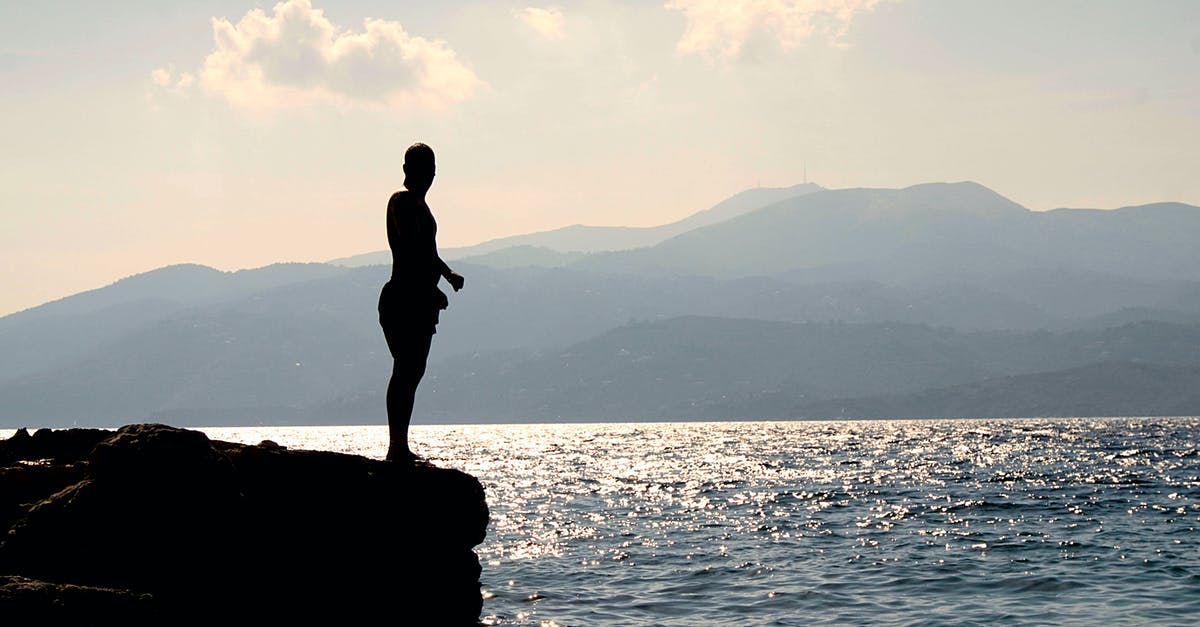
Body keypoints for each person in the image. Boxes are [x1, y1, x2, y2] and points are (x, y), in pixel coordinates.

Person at [378, 143, 464, 462]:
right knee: (405, 369)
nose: (426, 175)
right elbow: (412, 248)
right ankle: (396, 446)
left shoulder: (422, 208)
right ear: (406, 171)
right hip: (403, 298)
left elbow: (428, 252)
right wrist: (432, 287)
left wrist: (447, 274)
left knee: (414, 370)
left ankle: (401, 445)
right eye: (418, 168)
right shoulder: (400, 203)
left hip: (420, 300)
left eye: (430, 169)